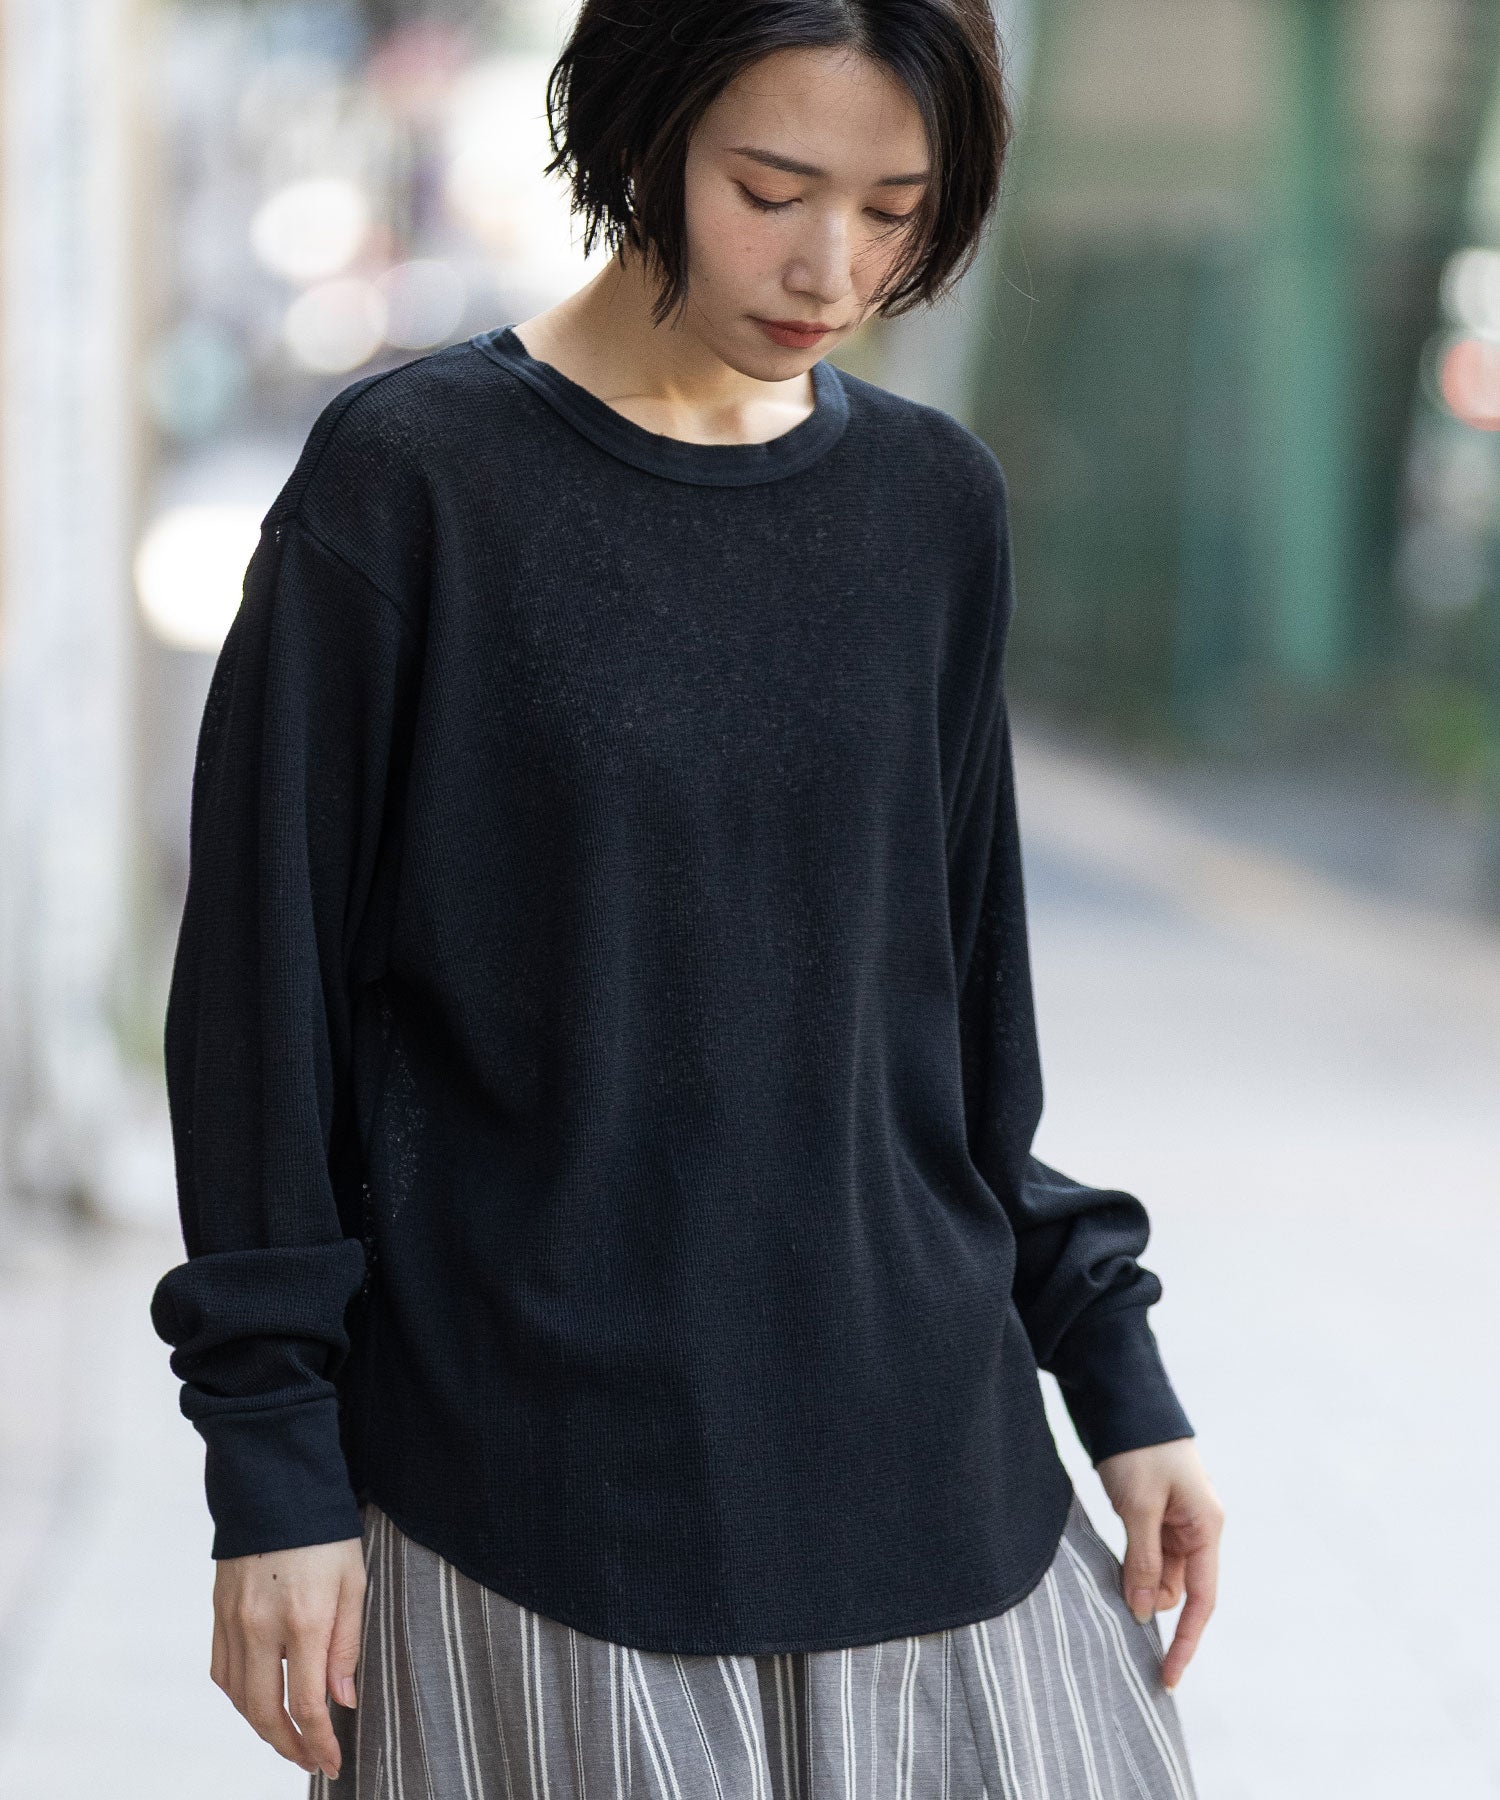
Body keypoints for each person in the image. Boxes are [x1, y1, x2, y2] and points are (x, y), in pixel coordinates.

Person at [150, 0, 1226, 1793]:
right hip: (536, 1501)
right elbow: (263, 1004)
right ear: (639, 129)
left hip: (936, 1470)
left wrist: (1113, 1371)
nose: (832, 266)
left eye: (895, 210)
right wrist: (272, 1467)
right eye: (771, 190)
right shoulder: (413, 481)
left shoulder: (932, 506)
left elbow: (957, 1029)